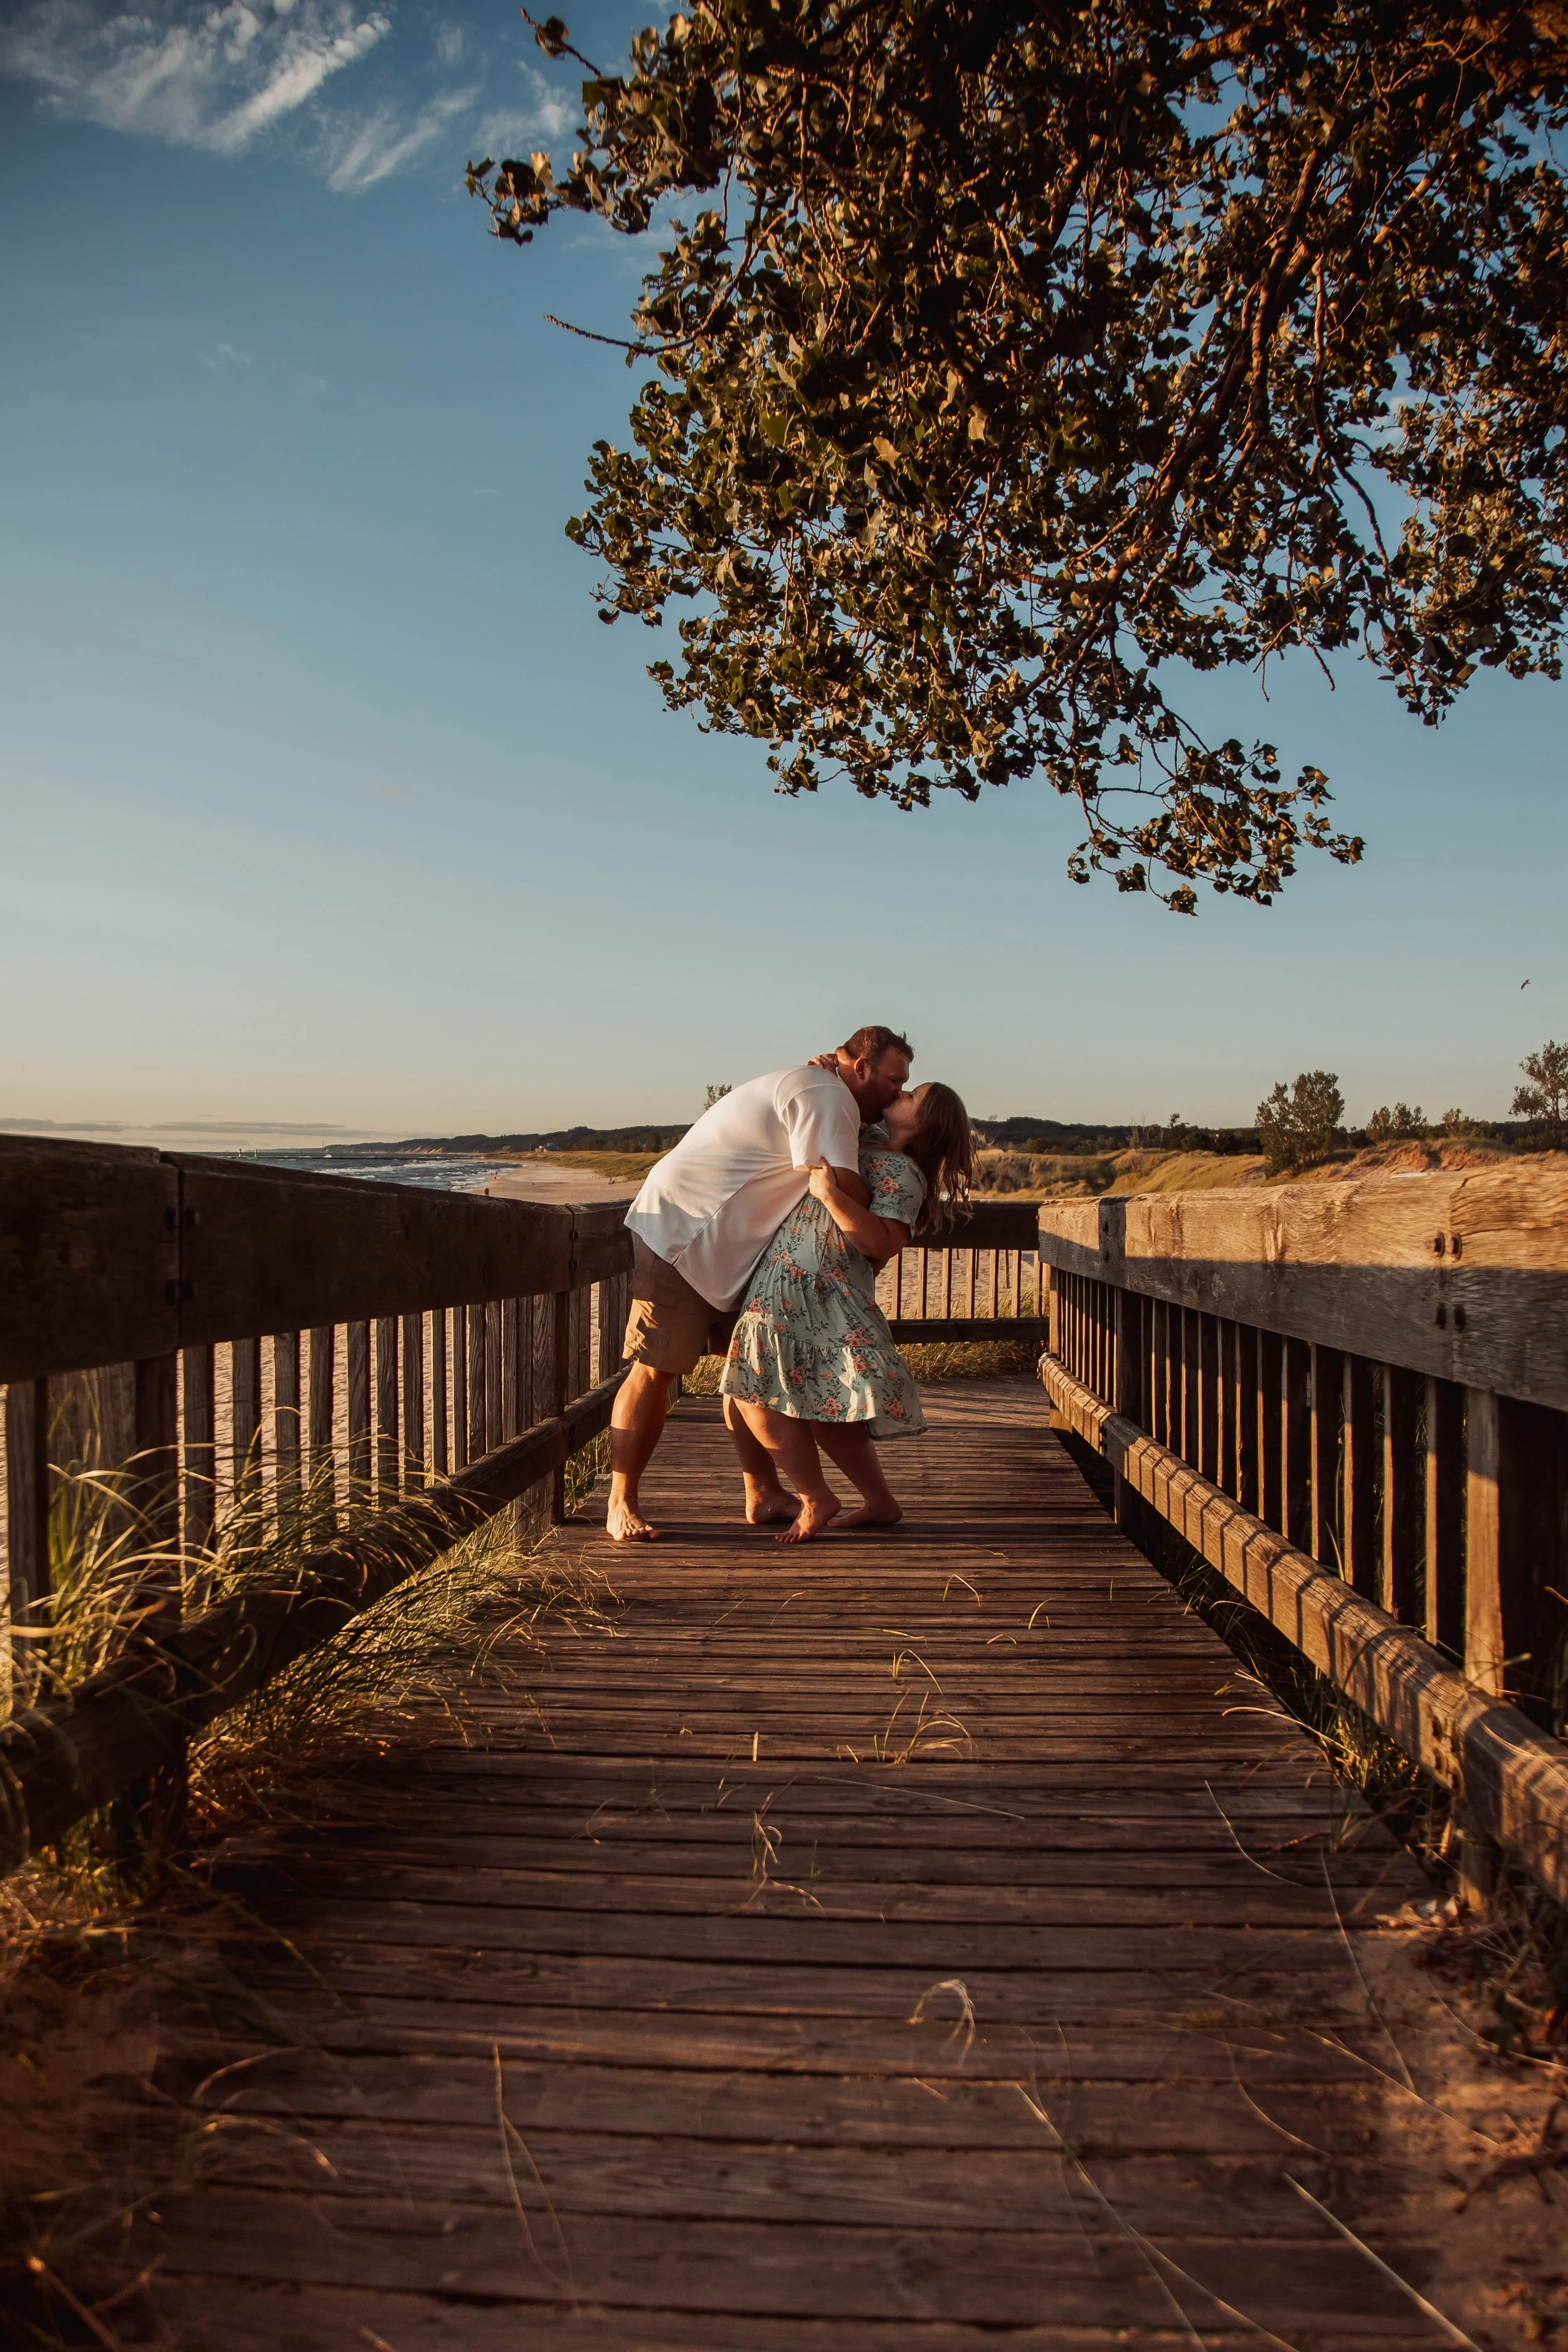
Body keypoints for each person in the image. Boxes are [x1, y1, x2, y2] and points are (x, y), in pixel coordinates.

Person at [607, 1025, 914, 1540]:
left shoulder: (827, 1091)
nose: (896, 1094)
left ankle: (764, 1492)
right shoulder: (826, 1092)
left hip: (735, 1249)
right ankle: (621, 1504)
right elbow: (840, 1186)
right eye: (892, 1080)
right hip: (687, 1235)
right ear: (860, 1066)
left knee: (749, 1375)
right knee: (655, 1370)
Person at [719, 1083, 975, 1542]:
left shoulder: (905, 1172)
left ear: (924, 1124)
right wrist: (826, 1073)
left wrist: (831, 1196)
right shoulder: (869, 1140)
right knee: (827, 1406)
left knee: (749, 1391)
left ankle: (816, 1495)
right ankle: (880, 1502)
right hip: (796, 1284)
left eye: (912, 1096)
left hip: (812, 1292)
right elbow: (832, 1110)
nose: (901, 1093)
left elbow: (882, 1242)